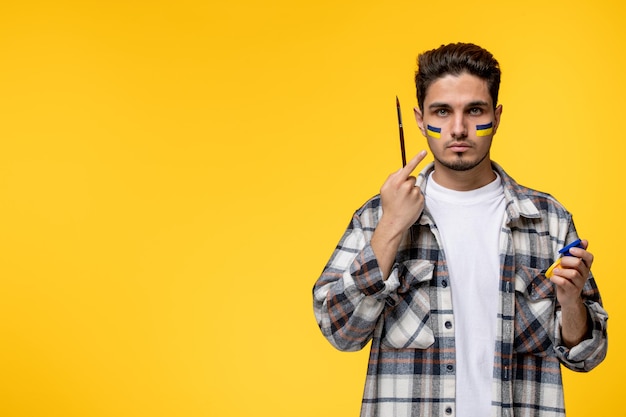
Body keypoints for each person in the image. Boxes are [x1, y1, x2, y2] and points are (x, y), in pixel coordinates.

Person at [312, 43, 608, 417]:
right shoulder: (376, 217)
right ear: (419, 119)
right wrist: (391, 227)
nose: (458, 129)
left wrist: (571, 304)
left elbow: (589, 356)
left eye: (475, 111)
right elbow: (340, 333)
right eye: (442, 111)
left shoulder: (548, 221)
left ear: (496, 116)